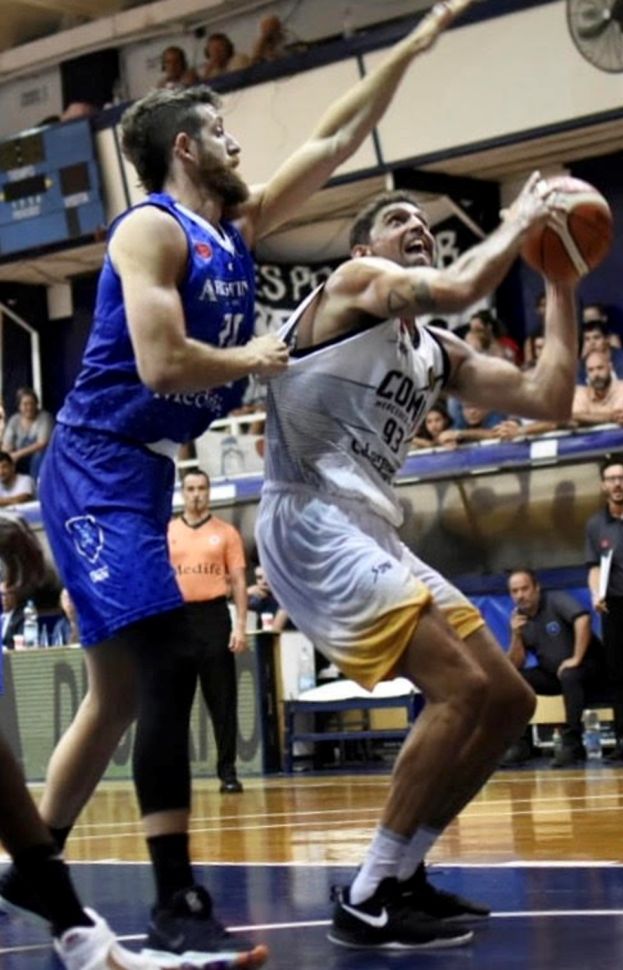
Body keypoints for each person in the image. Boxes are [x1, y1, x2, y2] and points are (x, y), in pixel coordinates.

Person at [0, 5, 477, 967]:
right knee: (170, 654)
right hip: (95, 461)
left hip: (140, 471)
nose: (237, 143)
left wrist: (410, 49)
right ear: (185, 147)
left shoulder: (238, 225)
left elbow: (333, 138)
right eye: (221, 131)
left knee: (115, 694)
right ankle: (177, 900)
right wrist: (253, 357)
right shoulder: (149, 229)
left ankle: (32, 861)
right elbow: (162, 361)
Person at [255, 177, 580, 950]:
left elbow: (551, 398)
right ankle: (369, 894)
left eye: (426, 222)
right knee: (459, 689)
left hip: (369, 526)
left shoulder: (433, 350)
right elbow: (462, 285)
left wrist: (561, 280)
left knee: (507, 701)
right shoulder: (353, 284)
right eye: (400, 219)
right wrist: (521, 220)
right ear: (364, 248)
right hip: (308, 516)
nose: (419, 228)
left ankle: (401, 874)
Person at [0, 516, 194, 970]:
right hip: (103, 507)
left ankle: (68, 921)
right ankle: (154, 904)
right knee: (150, 675)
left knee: (119, 696)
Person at [168, 469, 247, 794]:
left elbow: (239, 581)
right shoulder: (168, 532)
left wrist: (240, 625)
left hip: (214, 616)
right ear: (182, 493)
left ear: (209, 492)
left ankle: (228, 773)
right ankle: (175, 775)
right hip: (178, 618)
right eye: (190, 489)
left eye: (201, 488)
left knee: (222, 699)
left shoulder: (226, 533)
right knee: (175, 702)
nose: (196, 494)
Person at [503, 569, 604, 767]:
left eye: (524, 589)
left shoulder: (555, 600)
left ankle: (573, 744)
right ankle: (521, 743)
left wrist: (576, 658)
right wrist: (516, 635)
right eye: (515, 591)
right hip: (554, 674)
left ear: (536, 588)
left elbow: (583, 619)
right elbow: (515, 665)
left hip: (589, 668)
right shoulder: (518, 619)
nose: (520, 595)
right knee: (515, 680)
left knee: (569, 674)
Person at [586, 458, 623, 761]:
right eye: (611, 479)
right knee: (616, 674)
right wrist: (596, 594)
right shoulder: (595, 525)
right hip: (614, 605)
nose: (617, 483)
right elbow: (593, 566)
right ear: (603, 485)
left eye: (621, 477)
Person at [571, 350, 623, 427]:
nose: (596, 374)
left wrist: (584, 417)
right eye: (591, 370)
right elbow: (574, 416)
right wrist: (610, 417)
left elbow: (619, 416)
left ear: (610, 367)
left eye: (600, 368)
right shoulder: (582, 392)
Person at [2, 387, 53, 480]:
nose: (29, 407)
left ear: (37, 404)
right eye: (25, 404)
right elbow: (7, 444)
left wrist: (17, 454)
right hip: (19, 461)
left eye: (32, 403)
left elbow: (42, 443)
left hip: (37, 460)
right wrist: (7, 456)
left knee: (39, 455)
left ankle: (35, 485)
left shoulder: (45, 417)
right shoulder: (14, 420)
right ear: (19, 406)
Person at [0, 581, 25, 650]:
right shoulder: (1, 617)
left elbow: (19, 646)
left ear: (15, 596)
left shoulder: (21, 618)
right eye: (2, 594)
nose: (4, 599)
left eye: (8, 594)